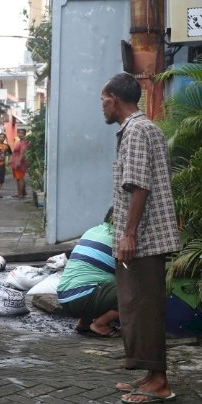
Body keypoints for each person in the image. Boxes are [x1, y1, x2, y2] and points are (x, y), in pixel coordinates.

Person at [101, 73, 181, 403]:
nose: (102, 107)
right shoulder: (140, 128)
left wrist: (129, 235)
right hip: (144, 236)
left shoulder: (136, 130)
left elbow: (139, 185)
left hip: (145, 237)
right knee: (136, 306)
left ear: (115, 99)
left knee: (143, 308)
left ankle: (160, 383)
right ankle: (150, 376)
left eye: (103, 99)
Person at [57, 208, 119, 337]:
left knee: (97, 279)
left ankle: (84, 323)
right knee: (134, 289)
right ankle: (100, 324)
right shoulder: (119, 240)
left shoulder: (93, 230)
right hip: (82, 299)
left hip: (65, 297)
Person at [10, 128, 29, 198]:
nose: (20, 134)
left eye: (22, 133)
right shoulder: (19, 142)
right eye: (19, 133)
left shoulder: (23, 142)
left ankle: (20, 194)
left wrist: (18, 162)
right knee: (19, 178)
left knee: (20, 178)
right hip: (16, 162)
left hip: (20, 163)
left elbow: (22, 153)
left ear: (25, 134)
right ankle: (21, 193)